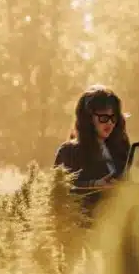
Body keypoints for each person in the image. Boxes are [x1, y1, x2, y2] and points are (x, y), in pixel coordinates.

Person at [53, 85, 131, 217]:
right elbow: (59, 192)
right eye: (103, 118)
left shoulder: (121, 148)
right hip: (86, 230)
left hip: (124, 230)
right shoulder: (69, 151)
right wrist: (94, 185)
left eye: (113, 118)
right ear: (88, 118)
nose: (110, 123)